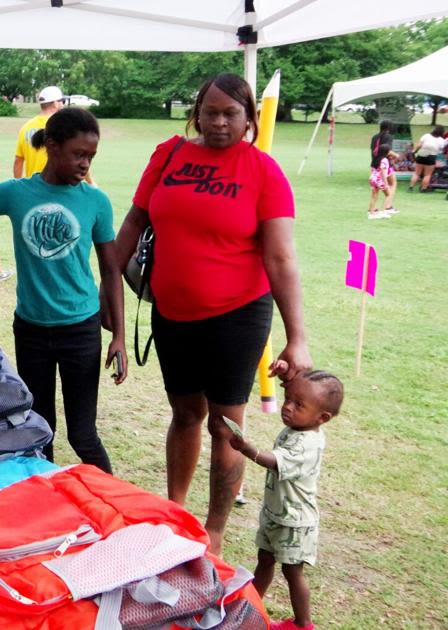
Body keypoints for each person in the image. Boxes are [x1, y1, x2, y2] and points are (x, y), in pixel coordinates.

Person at [113, 73, 311, 556]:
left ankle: (214, 532)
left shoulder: (264, 171)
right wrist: (108, 288)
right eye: (211, 111)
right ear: (196, 112)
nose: (219, 122)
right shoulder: (169, 155)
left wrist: (297, 337)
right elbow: (135, 221)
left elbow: (281, 258)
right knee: (184, 414)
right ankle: (174, 510)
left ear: (249, 119)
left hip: (236, 315)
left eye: (231, 114)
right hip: (172, 312)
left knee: (227, 425)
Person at [0, 107, 126, 474]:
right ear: (51, 146)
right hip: (32, 330)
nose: (85, 164)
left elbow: (112, 270)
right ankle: (46, 503)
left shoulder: (95, 201)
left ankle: (116, 506)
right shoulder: (15, 193)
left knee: (83, 435)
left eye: (91, 157)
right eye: (78, 154)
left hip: (80, 329)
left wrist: (120, 338)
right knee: (38, 427)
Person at [229, 369, 344, 630]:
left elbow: (274, 461)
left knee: (292, 572)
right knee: (265, 560)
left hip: (294, 523)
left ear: (322, 417)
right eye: (288, 398)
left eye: (298, 405)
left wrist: (248, 449)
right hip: (276, 514)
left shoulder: (307, 443)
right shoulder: (297, 427)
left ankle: (303, 624)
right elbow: (297, 381)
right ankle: (250, 608)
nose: (288, 407)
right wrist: (284, 370)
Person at [13, 86, 65, 179]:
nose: (63, 104)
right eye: (62, 101)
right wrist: (90, 182)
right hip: (56, 186)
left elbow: (18, 161)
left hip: (33, 187)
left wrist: (18, 184)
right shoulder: (62, 125)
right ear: (56, 103)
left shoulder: (26, 127)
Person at [411, 125, 446, 192]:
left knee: (416, 173)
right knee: (427, 174)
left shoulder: (426, 136)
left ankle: (411, 187)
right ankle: (424, 189)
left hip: (421, 155)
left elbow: (419, 145)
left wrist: (414, 151)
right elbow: (441, 149)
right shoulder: (441, 140)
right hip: (431, 157)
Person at [367, 145, 397, 219]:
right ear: (386, 152)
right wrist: (386, 183)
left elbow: (372, 169)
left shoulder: (375, 158)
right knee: (388, 194)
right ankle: (382, 212)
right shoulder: (384, 160)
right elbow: (383, 172)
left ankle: (371, 213)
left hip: (372, 178)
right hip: (380, 180)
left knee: (374, 196)